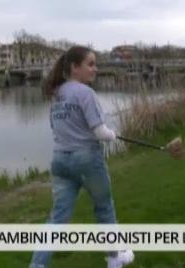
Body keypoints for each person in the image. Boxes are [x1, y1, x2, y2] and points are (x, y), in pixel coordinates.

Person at [30, 46, 134, 268]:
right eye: (90, 64)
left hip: (60, 161)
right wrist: (112, 134)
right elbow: (100, 132)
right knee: (104, 207)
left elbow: (54, 127)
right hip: (86, 159)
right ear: (74, 68)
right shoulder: (86, 93)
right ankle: (115, 259)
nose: (95, 69)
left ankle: (37, 265)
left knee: (57, 219)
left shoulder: (57, 95)